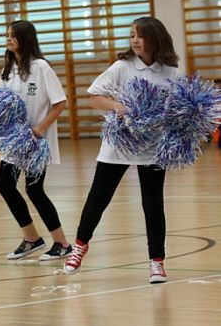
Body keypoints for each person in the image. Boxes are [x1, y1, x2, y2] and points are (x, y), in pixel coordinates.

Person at [64, 16, 180, 283]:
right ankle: (80, 245)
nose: (135, 40)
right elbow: (94, 96)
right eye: (132, 35)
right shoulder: (122, 66)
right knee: (98, 199)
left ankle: (157, 262)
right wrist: (118, 107)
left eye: (140, 35)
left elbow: (177, 107)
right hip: (118, 145)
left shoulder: (170, 71)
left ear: (155, 38)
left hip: (152, 148)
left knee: (153, 205)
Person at [0, 20, 70, 261]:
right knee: (5, 186)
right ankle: (32, 238)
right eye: (8, 35)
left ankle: (62, 243)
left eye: (13, 36)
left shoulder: (41, 67)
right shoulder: (6, 71)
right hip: (14, 140)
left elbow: (60, 102)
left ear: (25, 39)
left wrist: (41, 128)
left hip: (37, 141)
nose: (9, 39)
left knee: (34, 189)